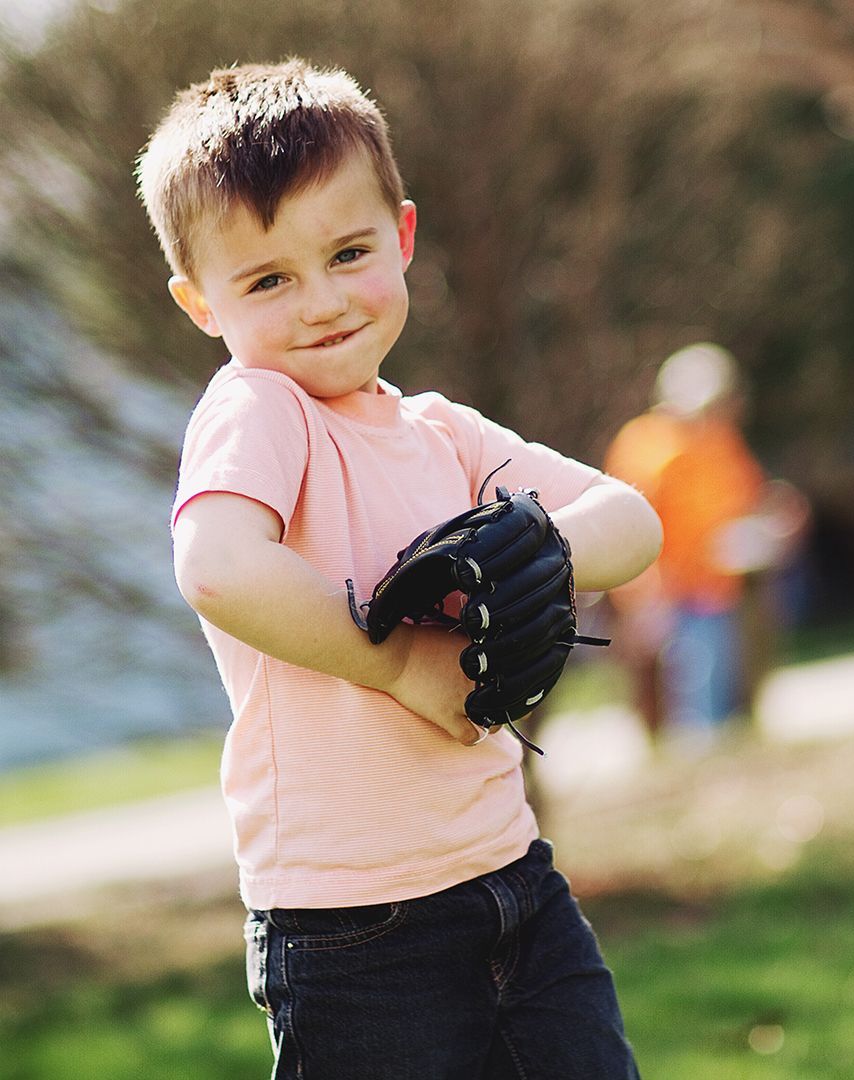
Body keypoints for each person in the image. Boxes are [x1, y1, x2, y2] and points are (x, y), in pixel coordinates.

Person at [136, 60, 661, 1080]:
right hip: (352, 927)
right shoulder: (262, 411)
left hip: (514, 880)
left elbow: (630, 519)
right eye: (269, 279)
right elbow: (217, 567)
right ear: (201, 303)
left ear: (404, 237)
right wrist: (398, 666)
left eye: (348, 253)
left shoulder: (443, 433)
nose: (322, 302)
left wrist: (539, 551)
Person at [605, 343, 806, 747]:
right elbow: (625, 524)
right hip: (670, 593)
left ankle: (722, 747)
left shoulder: (719, 439)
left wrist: (773, 518)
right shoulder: (645, 444)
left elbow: (746, 496)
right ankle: (698, 753)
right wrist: (643, 596)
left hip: (722, 585)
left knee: (732, 685)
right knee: (691, 697)